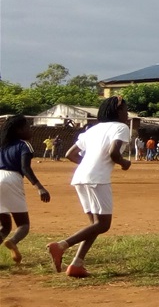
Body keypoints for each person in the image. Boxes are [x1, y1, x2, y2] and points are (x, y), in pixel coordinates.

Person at [47, 96, 132, 278]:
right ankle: (61, 245)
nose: (127, 113)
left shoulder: (92, 130)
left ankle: (77, 264)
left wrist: (88, 165)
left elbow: (71, 154)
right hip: (97, 179)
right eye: (125, 110)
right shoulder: (121, 128)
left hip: (80, 177)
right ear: (118, 111)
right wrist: (125, 163)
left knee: (95, 225)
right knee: (103, 224)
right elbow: (114, 154)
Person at [0, 115, 51, 264]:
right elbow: (25, 168)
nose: (30, 130)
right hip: (11, 179)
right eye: (27, 127)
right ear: (19, 130)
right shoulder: (24, 145)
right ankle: (13, 241)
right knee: (23, 224)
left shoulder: (2, 146)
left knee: (5, 225)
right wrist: (39, 187)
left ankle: (9, 241)